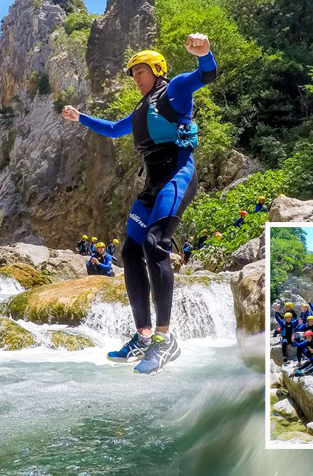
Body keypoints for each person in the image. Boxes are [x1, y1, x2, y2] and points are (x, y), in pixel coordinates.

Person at [62, 33, 217, 375]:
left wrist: (204, 54)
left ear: (157, 70)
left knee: (154, 244)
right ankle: (144, 335)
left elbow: (205, 75)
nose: (135, 78)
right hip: (152, 184)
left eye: (140, 71)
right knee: (130, 252)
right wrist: (81, 118)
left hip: (177, 175)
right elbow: (116, 130)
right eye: (132, 74)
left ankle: (165, 339)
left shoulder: (173, 89)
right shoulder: (138, 110)